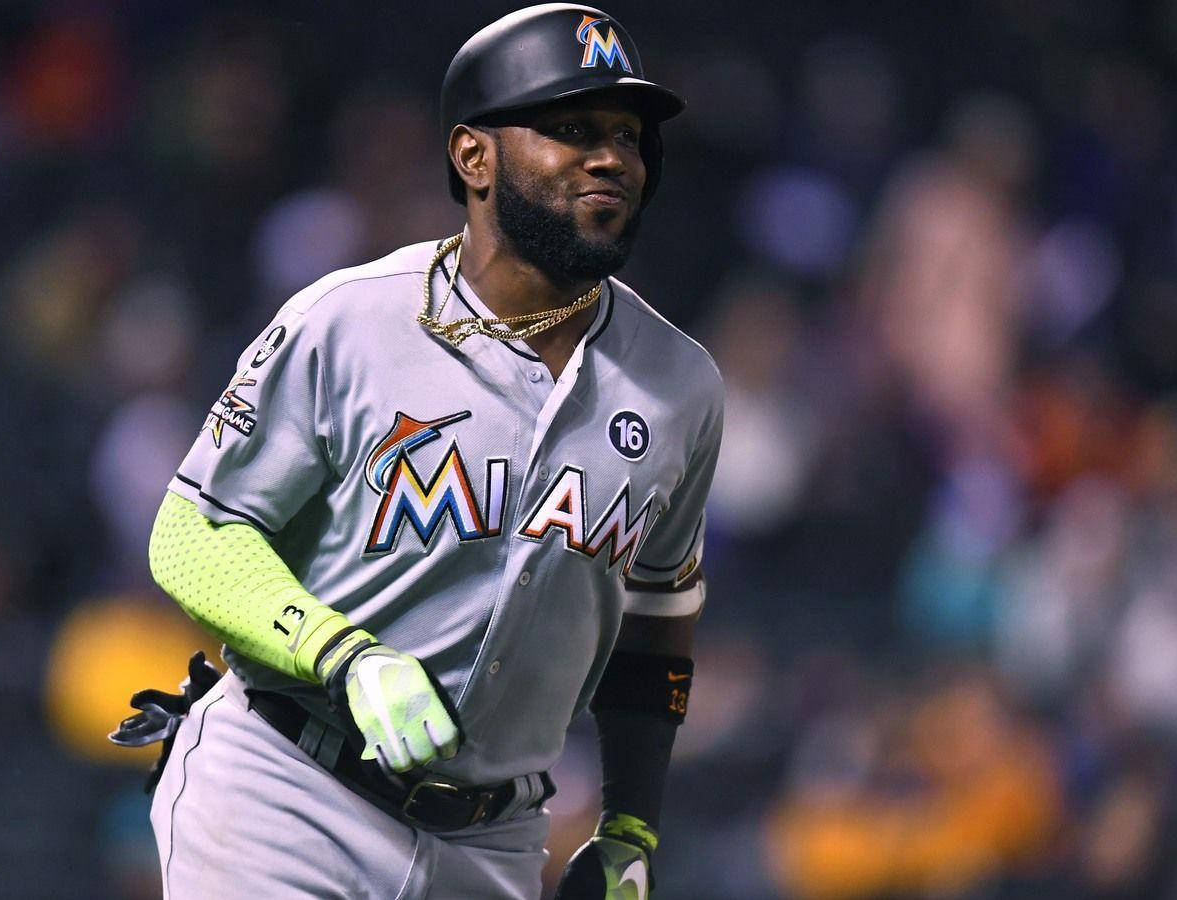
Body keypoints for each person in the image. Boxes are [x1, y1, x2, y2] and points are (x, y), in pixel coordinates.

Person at [112, 5, 723, 897]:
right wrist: (341, 654)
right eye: (571, 129)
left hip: (496, 841)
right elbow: (191, 531)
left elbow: (658, 621)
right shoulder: (348, 321)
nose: (611, 159)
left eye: (627, 137)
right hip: (288, 794)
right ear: (473, 157)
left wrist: (631, 826)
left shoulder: (682, 385)